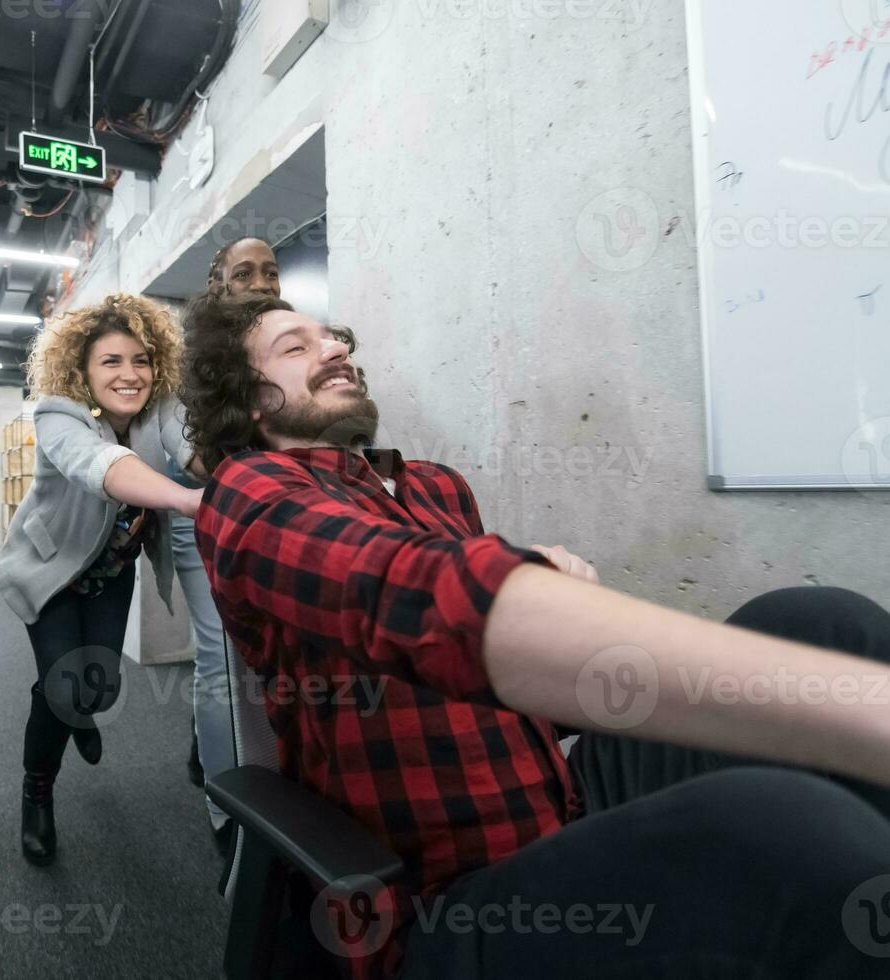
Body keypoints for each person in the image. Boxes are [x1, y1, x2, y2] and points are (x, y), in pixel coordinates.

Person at [180, 293, 890, 979]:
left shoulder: (431, 486)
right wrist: (512, 580)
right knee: (792, 831)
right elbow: (401, 589)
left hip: (560, 798)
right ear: (247, 400)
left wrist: (570, 632)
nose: (333, 348)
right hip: (455, 899)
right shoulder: (248, 491)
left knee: (822, 624)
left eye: (332, 336)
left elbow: (499, 683)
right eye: (295, 347)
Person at [0, 293, 204, 866]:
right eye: (111, 361)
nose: (129, 374)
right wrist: (191, 501)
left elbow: (191, 451)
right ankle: (37, 792)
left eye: (140, 360)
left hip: (110, 572)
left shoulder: (157, 409)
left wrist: (232, 472)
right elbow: (101, 466)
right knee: (64, 687)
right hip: (50, 572)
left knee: (101, 686)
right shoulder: (58, 413)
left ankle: (78, 709)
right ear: (83, 371)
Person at [180, 237, 284, 860]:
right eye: (244, 273)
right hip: (204, 505)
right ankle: (226, 813)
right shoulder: (192, 357)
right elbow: (187, 446)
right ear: (217, 284)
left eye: (271, 271)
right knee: (223, 663)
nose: (262, 283)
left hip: (273, 510)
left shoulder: (287, 336)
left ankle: (205, 744)